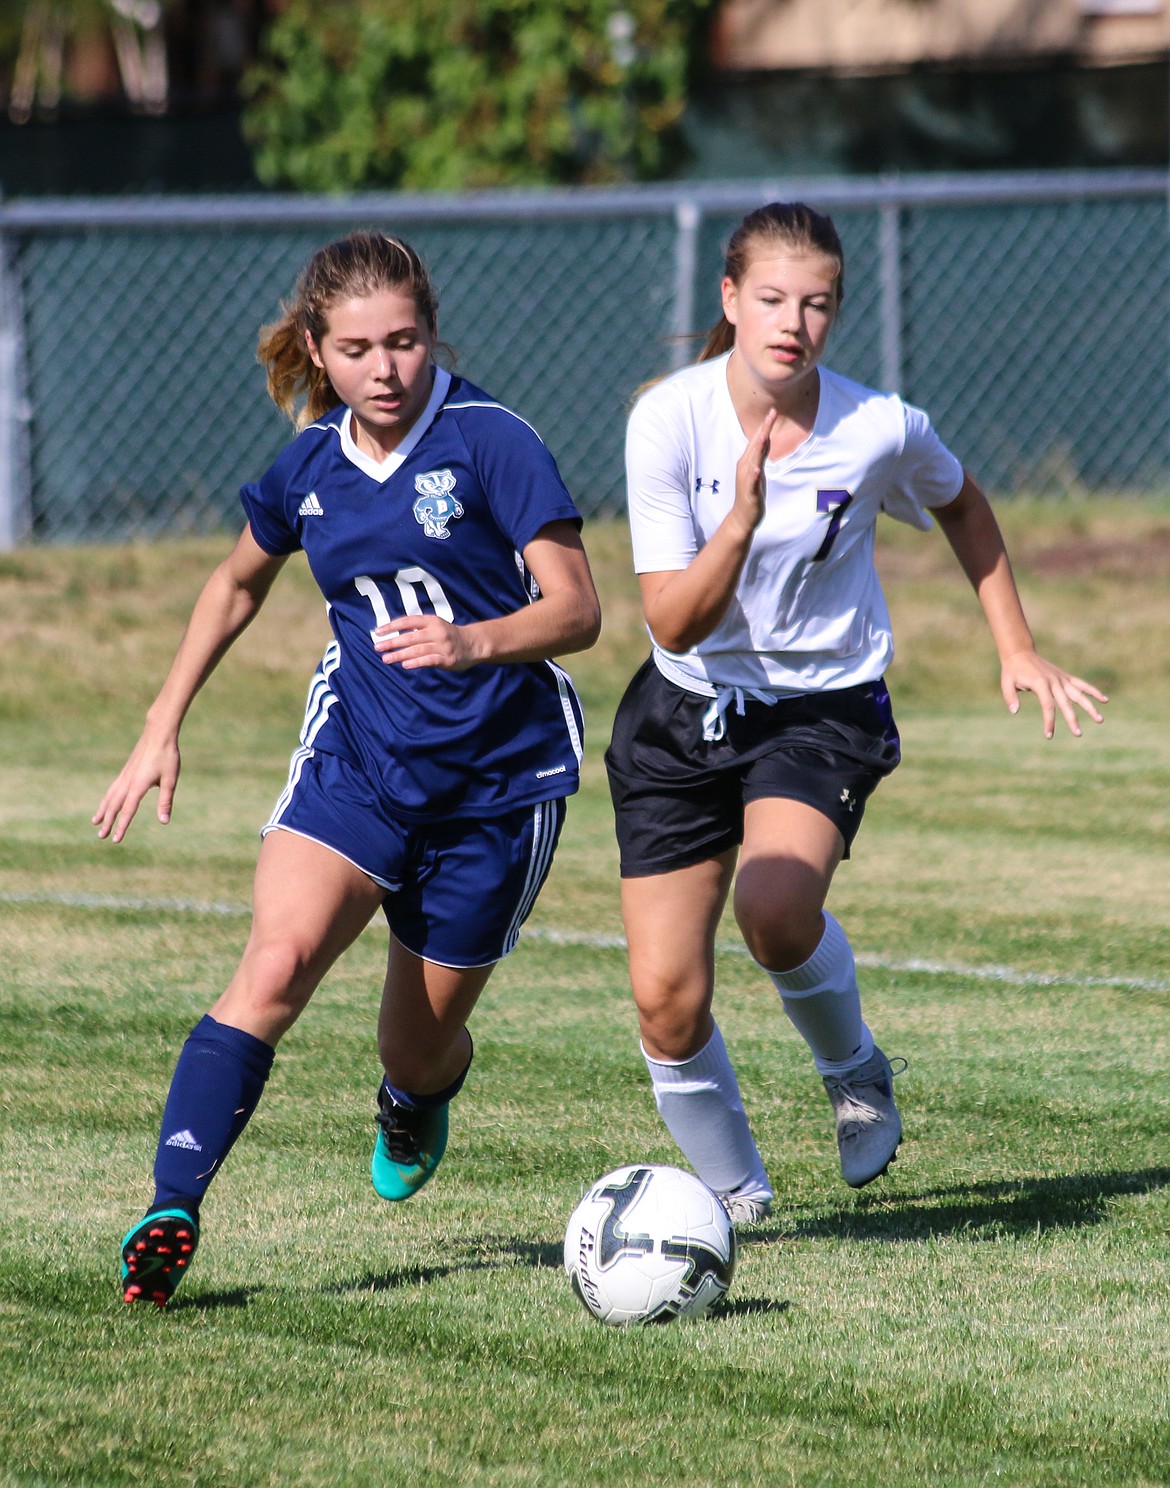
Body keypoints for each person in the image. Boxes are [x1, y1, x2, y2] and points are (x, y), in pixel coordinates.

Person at [95, 230, 601, 1306]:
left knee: (414, 1051)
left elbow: (579, 609)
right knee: (272, 967)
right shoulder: (312, 464)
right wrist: (162, 719)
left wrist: (472, 639)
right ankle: (172, 1205)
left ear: (432, 336)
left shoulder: (493, 442)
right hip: (358, 765)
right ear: (318, 352)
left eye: (406, 342)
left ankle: (419, 1093)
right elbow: (236, 583)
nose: (386, 368)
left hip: (496, 789)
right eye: (360, 348)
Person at [604, 201, 1106, 1225]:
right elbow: (674, 620)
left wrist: (1014, 641)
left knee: (775, 912)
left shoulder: (878, 426)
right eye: (775, 299)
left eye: (819, 303)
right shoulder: (668, 418)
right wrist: (738, 522)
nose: (795, 322)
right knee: (665, 998)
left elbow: (962, 503)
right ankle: (734, 1204)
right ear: (731, 299)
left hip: (821, 710)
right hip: (682, 710)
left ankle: (857, 1070)